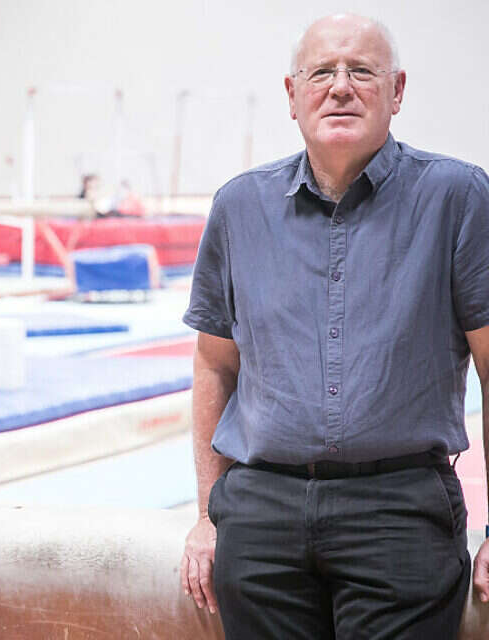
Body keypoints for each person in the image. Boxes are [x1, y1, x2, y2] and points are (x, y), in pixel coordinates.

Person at [179, 13, 489, 639]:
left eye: (362, 71)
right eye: (321, 72)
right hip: (261, 514)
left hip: (399, 511)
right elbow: (214, 364)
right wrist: (208, 514)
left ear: (397, 91)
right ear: (292, 95)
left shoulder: (457, 197)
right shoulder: (239, 207)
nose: (340, 87)